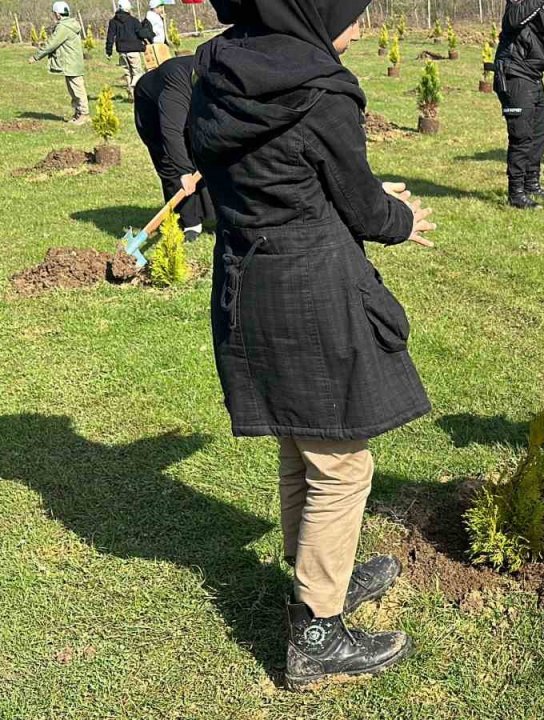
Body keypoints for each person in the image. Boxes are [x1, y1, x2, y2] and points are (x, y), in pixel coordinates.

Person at [189, 0, 436, 690]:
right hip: (308, 285)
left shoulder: (215, 72)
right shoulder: (320, 88)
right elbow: (360, 206)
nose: (358, 25)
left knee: (303, 442)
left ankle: (316, 581)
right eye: (351, 11)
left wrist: (335, 195)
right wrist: (402, 216)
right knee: (342, 462)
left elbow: (259, 179)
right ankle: (318, 633)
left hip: (246, 279)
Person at [494, 0, 544, 209]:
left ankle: (532, 184)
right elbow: (512, 21)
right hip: (514, 72)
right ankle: (516, 193)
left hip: (534, 76)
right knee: (522, 136)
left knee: (539, 134)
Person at [134, 55, 213, 242]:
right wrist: (184, 172)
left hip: (186, 108)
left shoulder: (213, 74)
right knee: (171, 166)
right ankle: (190, 222)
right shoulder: (174, 88)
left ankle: (211, 213)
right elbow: (171, 132)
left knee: (200, 155)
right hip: (151, 114)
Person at [29, 2, 87, 125]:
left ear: (57, 14)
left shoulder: (63, 27)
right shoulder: (69, 24)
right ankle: (78, 113)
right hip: (71, 62)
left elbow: (51, 44)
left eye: (54, 14)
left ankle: (84, 114)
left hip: (71, 62)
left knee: (77, 90)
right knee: (73, 90)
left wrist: (36, 57)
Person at [107, 0, 148, 99]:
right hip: (134, 51)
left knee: (127, 72)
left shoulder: (113, 21)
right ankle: (136, 89)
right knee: (137, 72)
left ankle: (131, 93)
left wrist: (108, 51)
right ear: (129, 9)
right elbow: (140, 34)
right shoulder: (133, 21)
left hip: (122, 51)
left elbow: (110, 36)